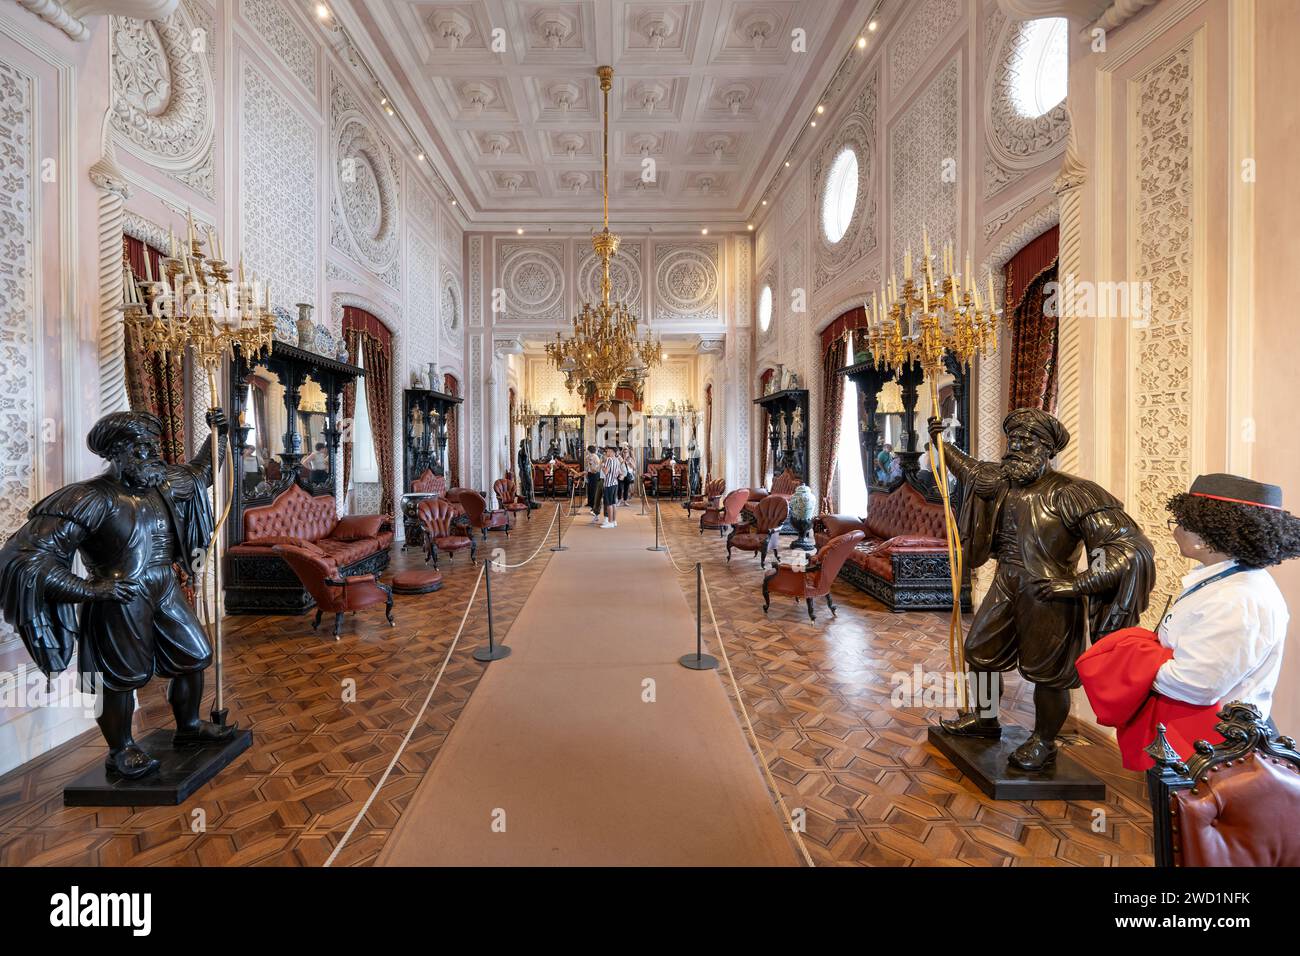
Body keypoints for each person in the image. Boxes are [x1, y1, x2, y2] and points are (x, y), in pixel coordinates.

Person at [0, 409, 236, 779]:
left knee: (196, 655)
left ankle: (188, 727)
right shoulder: (90, 498)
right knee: (117, 677)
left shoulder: (164, 484)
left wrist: (217, 433)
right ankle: (120, 749)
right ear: (118, 454)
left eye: (153, 447)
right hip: (120, 594)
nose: (152, 456)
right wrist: (89, 589)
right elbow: (26, 556)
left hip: (164, 585)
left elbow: (202, 471)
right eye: (142, 449)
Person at [926, 409, 1156, 771]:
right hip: (1007, 582)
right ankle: (986, 720)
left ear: (1047, 449)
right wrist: (942, 440)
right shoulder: (1001, 482)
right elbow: (968, 469)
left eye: (1026, 442)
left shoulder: (1073, 493)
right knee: (979, 653)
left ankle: (1044, 741)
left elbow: (1126, 545)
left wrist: (1080, 583)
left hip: (1050, 592)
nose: (1016, 448)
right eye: (1013, 441)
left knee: (1050, 675)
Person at [1077, 473, 1300, 769]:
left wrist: (1132, 660)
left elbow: (1195, 684)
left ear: (1210, 537)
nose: (1176, 532)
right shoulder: (1224, 582)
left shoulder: (1238, 598)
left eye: (1182, 524)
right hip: (1199, 738)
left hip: (1215, 749)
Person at [599, 446, 628, 528]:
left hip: (608, 484)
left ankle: (610, 522)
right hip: (615, 483)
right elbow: (620, 472)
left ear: (612, 452)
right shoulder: (617, 460)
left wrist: (602, 465)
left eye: (608, 451)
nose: (607, 453)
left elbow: (605, 472)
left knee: (609, 504)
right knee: (613, 503)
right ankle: (614, 521)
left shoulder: (609, 460)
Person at [584, 444, 602, 518]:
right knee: (590, 490)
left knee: (594, 490)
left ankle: (594, 507)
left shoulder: (595, 457)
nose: (586, 452)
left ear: (589, 450)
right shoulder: (589, 456)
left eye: (587, 450)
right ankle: (591, 504)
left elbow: (596, 467)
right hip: (590, 474)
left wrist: (591, 465)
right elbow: (587, 464)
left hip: (594, 474)